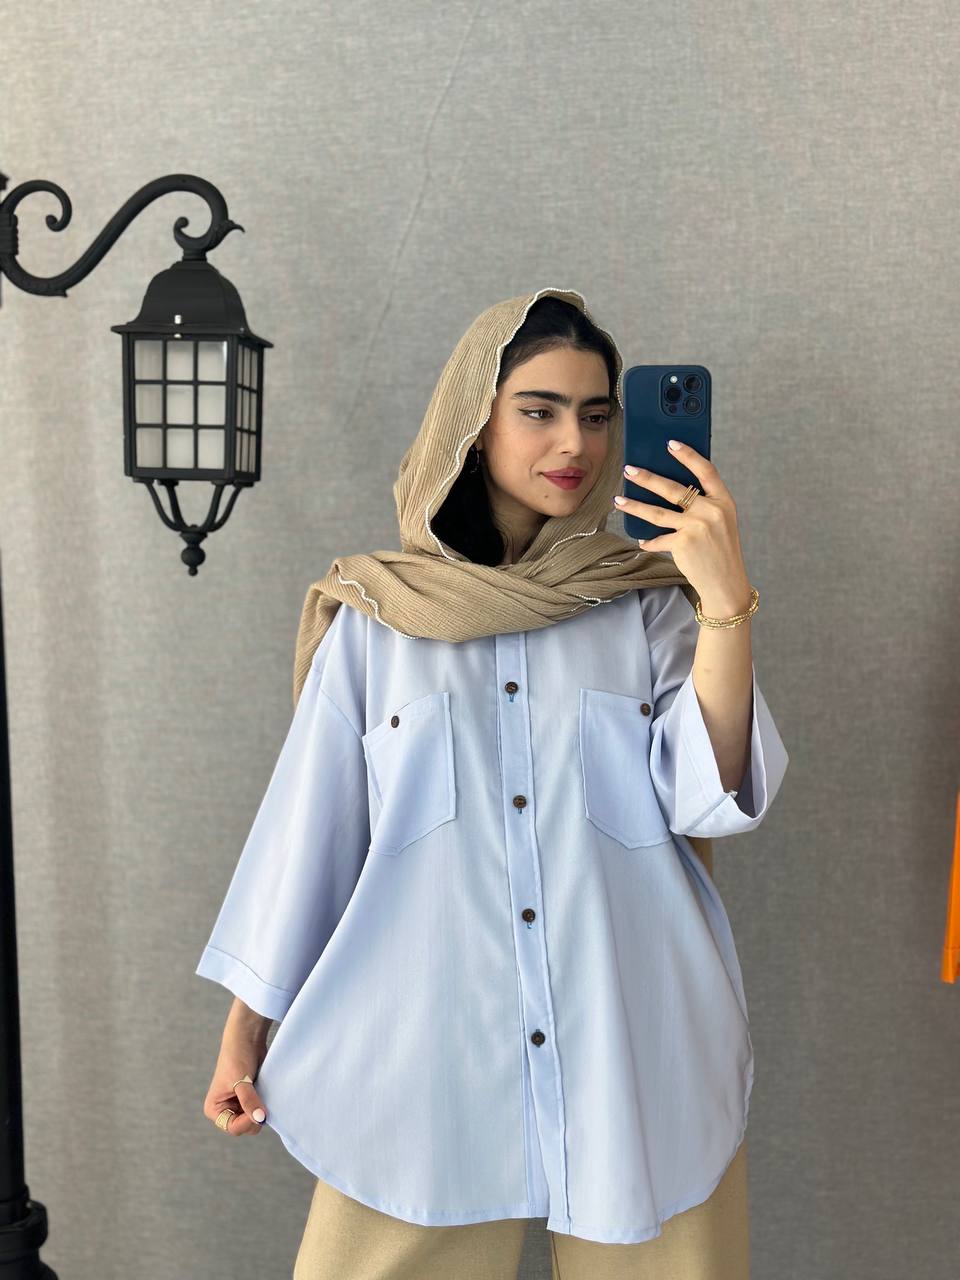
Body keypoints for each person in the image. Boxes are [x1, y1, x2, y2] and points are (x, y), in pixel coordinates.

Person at [197, 287, 789, 1279]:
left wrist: (725, 603)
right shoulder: (379, 625)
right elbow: (311, 839)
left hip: (631, 1048)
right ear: (476, 424)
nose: (575, 442)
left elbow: (711, 798)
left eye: (596, 414)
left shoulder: (647, 611)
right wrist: (243, 1033)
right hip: (424, 1058)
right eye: (539, 410)